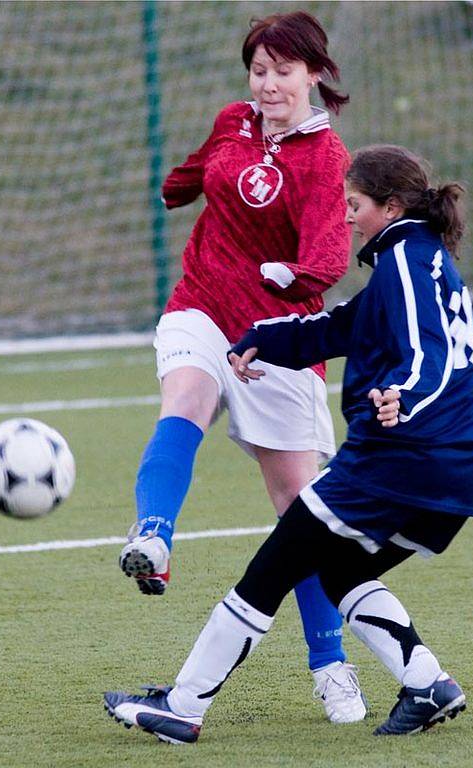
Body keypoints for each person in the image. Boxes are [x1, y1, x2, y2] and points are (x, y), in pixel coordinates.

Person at [104, 145, 473, 742]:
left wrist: (404, 395)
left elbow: (427, 354)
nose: (346, 216)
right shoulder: (419, 256)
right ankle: (428, 683)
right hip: (458, 465)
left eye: (355, 204)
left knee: (274, 567)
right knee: (337, 568)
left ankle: (183, 707)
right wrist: (265, 336)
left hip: (404, 456)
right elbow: (344, 326)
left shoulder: (407, 262)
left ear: (390, 207)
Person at [119, 12, 367, 722]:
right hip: (200, 301)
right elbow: (197, 172)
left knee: (300, 508)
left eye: (282, 71)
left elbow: (326, 255)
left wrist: (289, 275)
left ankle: (331, 666)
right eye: (258, 70)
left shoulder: (325, 158)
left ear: (313, 74)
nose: (267, 84)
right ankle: (154, 535)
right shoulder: (235, 121)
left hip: (279, 335)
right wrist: (174, 188)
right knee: (184, 402)